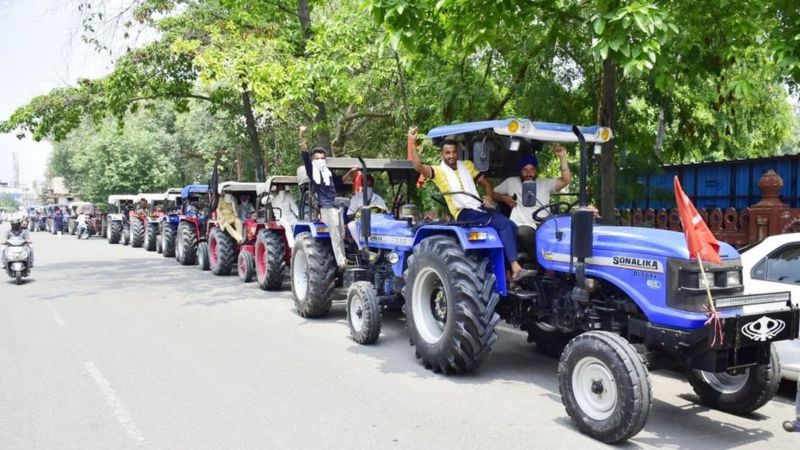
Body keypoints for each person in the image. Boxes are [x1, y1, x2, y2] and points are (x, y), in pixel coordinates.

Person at [407, 126, 535, 283]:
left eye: (454, 152)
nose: (451, 156)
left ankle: (508, 275)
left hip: (478, 207)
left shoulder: (467, 165)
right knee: (504, 225)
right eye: (448, 153)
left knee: (512, 226)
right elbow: (418, 167)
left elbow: (487, 184)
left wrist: (488, 197)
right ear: (442, 154)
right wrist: (412, 142)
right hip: (463, 212)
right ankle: (516, 269)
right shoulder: (438, 171)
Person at [492, 148, 570, 255]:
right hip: (525, 225)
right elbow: (491, 193)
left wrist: (562, 157)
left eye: (532, 169)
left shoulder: (544, 184)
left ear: (536, 171)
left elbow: (566, 180)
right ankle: (546, 266)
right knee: (522, 233)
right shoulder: (511, 182)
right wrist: (504, 198)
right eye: (525, 170)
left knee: (566, 232)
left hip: (545, 224)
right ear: (520, 171)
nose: (529, 173)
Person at [300, 125, 348, 270]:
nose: (320, 160)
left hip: (337, 207)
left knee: (342, 235)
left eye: (322, 158)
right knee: (335, 234)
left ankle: (344, 258)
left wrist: (351, 173)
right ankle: (341, 262)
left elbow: (340, 182)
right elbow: (305, 154)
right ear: (313, 160)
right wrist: (301, 135)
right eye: (317, 158)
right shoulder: (313, 173)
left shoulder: (329, 174)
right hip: (327, 209)